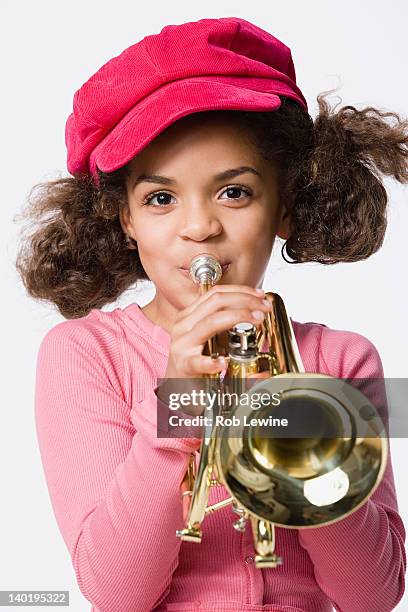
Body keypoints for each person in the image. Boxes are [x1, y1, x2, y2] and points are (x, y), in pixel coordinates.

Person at [15, 16, 407, 612]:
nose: (199, 228)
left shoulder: (344, 361)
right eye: (160, 199)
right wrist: (178, 404)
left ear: (284, 205)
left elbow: (372, 597)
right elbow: (117, 595)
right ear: (126, 221)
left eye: (235, 192)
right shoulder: (82, 355)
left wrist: (304, 428)